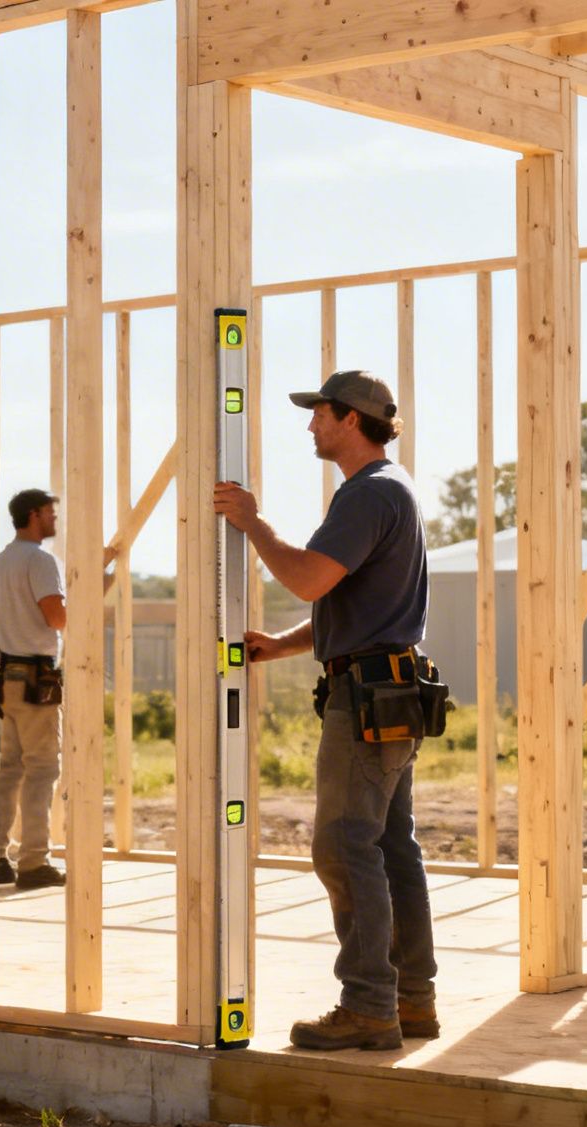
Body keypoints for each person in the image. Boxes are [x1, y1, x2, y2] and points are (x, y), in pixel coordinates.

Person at [212, 369, 437, 1051]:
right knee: (392, 848)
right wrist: (282, 645)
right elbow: (358, 606)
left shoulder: (368, 495)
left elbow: (309, 577)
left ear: (350, 419)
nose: (310, 424)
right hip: (389, 684)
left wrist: (253, 524)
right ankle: (411, 1000)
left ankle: (369, 1005)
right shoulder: (387, 492)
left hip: (368, 695)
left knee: (343, 845)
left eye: (320, 413)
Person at [0, 488, 68, 890]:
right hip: (37, 678)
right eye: (51, 513)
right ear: (35, 514)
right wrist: (88, 604)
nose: (55, 520)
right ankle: (34, 862)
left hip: (9, 676)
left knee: (10, 770)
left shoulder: (2, 561)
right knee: (42, 770)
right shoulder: (40, 561)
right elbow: (56, 618)